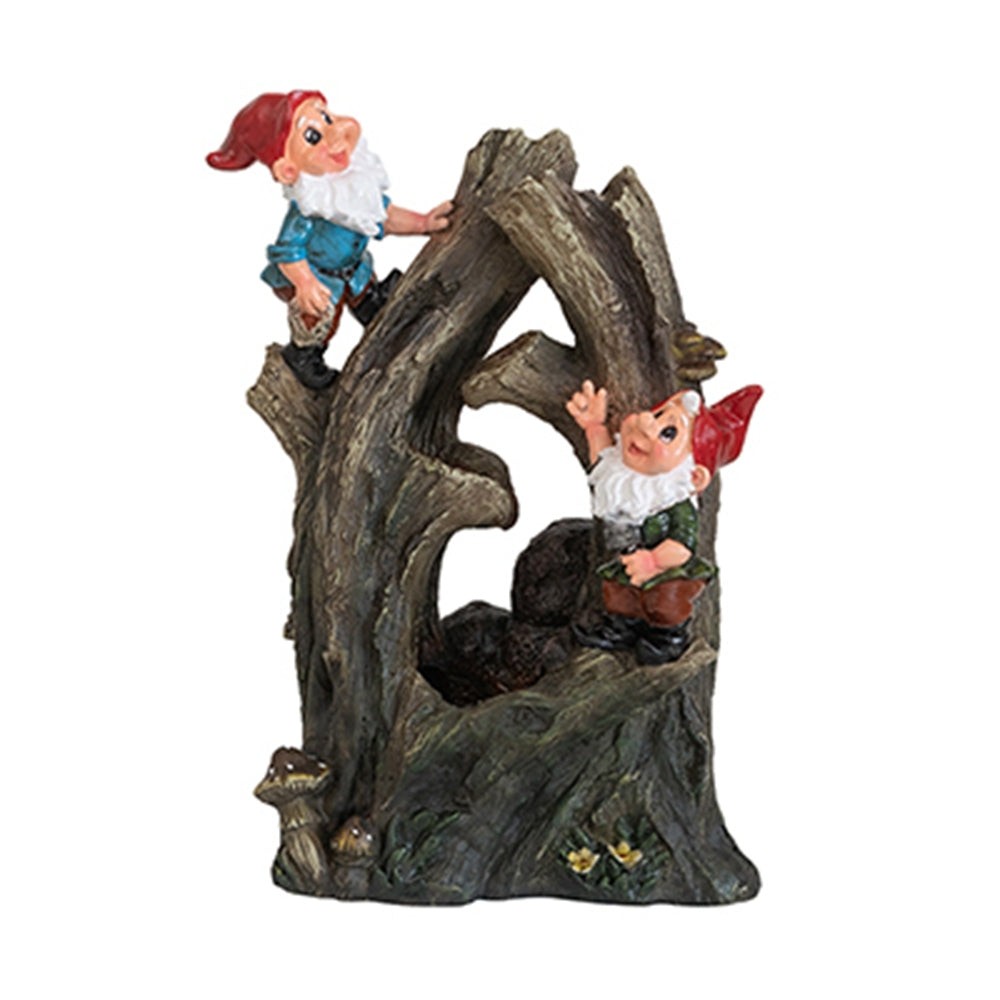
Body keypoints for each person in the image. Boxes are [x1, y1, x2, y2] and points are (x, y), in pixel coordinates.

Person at [207, 90, 453, 388]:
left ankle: (369, 304)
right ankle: (304, 353)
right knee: (318, 318)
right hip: (319, 279)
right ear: (288, 169)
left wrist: (423, 223)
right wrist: (305, 283)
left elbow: (383, 216)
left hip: (355, 269)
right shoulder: (310, 208)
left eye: (327, 118)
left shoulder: (354, 191)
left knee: (367, 294)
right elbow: (287, 251)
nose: (337, 133)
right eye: (313, 136)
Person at [566, 379, 762, 664]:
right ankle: (620, 629)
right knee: (619, 594)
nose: (645, 424)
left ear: (694, 476)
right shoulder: (624, 481)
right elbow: (603, 465)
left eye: (668, 433)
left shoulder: (676, 506)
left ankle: (667, 638)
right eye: (657, 415)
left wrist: (653, 561)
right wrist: (595, 427)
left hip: (665, 571)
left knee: (665, 601)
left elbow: (682, 548)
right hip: (628, 562)